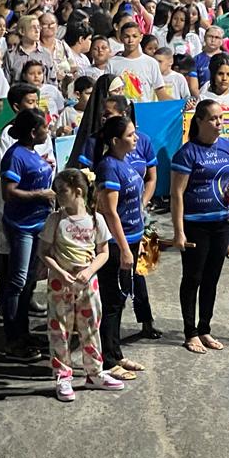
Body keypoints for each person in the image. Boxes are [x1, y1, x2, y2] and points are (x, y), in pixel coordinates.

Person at [37, 168, 124, 400]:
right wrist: (59, 272)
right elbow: (43, 252)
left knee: (90, 327)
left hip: (88, 284)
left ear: (77, 191)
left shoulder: (96, 219)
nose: (57, 195)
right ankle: (63, 376)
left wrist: (89, 271)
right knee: (59, 329)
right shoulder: (55, 220)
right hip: (60, 283)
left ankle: (94, 373)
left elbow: (103, 252)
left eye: (62, 190)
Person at [170, 99, 229, 354]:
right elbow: (177, 194)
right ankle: (189, 332)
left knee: (212, 279)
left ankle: (205, 328)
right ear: (200, 121)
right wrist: (178, 230)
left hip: (221, 223)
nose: (218, 123)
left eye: (221, 118)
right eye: (213, 119)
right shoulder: (187, 152)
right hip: (195, 225)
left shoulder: (227, 146)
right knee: (193, 278)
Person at [94, 115, 148, 380]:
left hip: (135, 236)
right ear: (115, 141)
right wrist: (125, 248)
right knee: (112, 301)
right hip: (118, 243)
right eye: (129, 135)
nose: (135, 138)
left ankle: (116, 352)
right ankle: (107, 359)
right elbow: (110, 212)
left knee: (121, 298)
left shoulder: (125, 162)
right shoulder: (108, 167)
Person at [0, 108, 55, 360]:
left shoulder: (33, 153)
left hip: (38, 224)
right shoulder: (14, 156)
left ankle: (24, 332)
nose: (48, 130)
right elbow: (9, 192)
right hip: (22, 226)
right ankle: (12, 337)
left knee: (31, 279)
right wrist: (40, 195)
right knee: (17, 281)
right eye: (44, 127)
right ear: (33, 132)